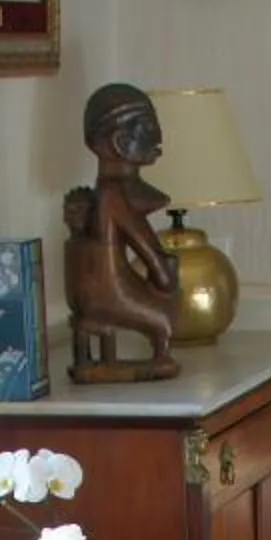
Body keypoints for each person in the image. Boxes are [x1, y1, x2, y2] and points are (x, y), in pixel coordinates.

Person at [63, 83, 180, 383]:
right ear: (119, 141)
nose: (159, 138)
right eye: (148, 127)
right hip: (108, 292)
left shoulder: (110, 192)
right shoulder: (114, 196)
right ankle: (159, 353)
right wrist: (163, 271)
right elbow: (149, 252)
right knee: (165, 320)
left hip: (99, 291)